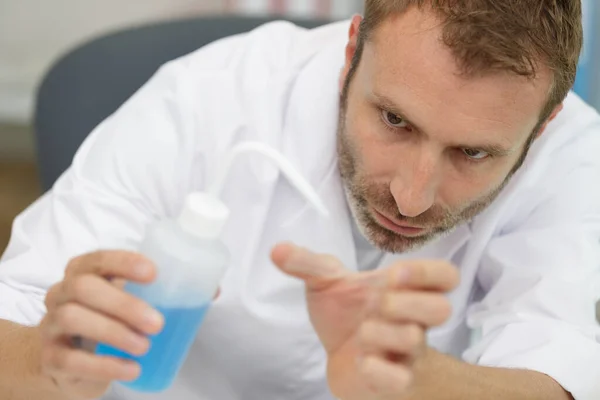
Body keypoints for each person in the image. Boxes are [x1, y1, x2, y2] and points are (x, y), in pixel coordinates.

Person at [1, 0, 600, 399]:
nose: (411, 198)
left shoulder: (573, 151)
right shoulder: (205, 101)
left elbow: (553, 367)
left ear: (542, 126)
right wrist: (50, 360)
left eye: (472, 154)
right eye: (394, 119)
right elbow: (14, 323)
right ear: (351, 52)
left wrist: (417, 383)